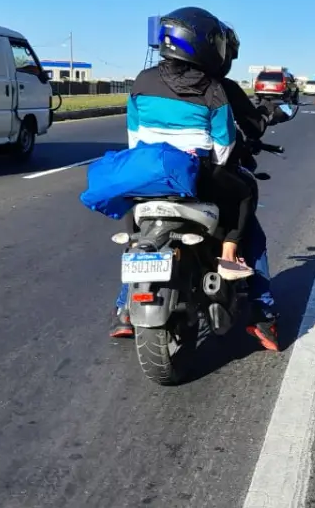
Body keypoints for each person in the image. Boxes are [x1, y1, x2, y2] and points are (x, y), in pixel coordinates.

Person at [111, 18, 282, 351]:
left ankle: (123, 308)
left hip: (148, 174)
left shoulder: (142, 81)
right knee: (249, 217)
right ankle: (263, 310)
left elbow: (133, 135)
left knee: (137, 231)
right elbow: (224, 143)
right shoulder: (214, 87)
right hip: (197, 176)